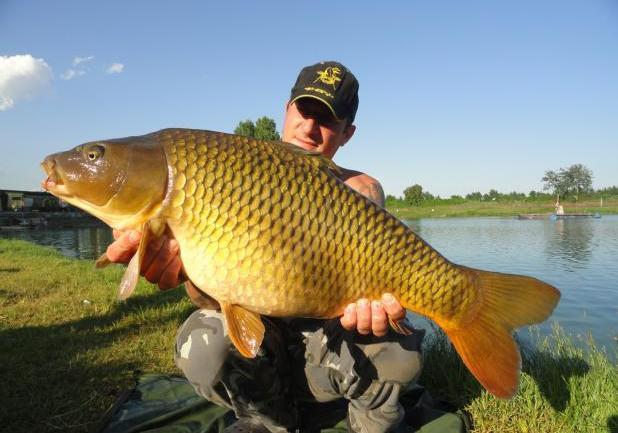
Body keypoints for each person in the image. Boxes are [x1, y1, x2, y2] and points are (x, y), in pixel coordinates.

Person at [106, 61, 423, 433]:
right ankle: (267, 420)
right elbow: (217, 293)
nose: (310, 127)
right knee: (203, 341)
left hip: (328, 350)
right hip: (264, 351)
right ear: (288, 110)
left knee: (398, 348)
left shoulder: (359, 192)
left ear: (347, 133)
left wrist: (377, 316)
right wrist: (189, 274)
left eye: (327, 118)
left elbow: (369, 297)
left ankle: (370, 420)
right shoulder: (236, 171)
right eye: (305, 111)